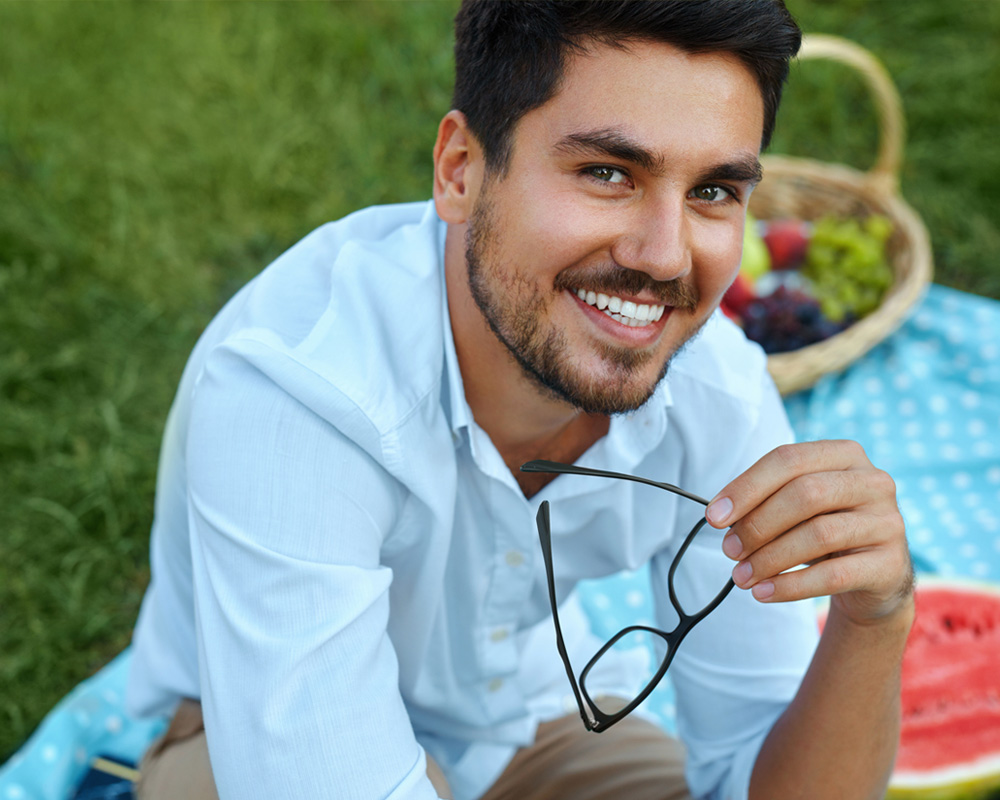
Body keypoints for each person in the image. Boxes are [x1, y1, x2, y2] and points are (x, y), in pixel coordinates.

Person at [126, 2, 915, 799]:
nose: (665, 255)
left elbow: (759, 783)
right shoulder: (298, 396)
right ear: (461, 169)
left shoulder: (717, 392)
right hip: (238, 745)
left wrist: (872, 624)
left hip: (523, 721)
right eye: (609, 173)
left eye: (712, 190)